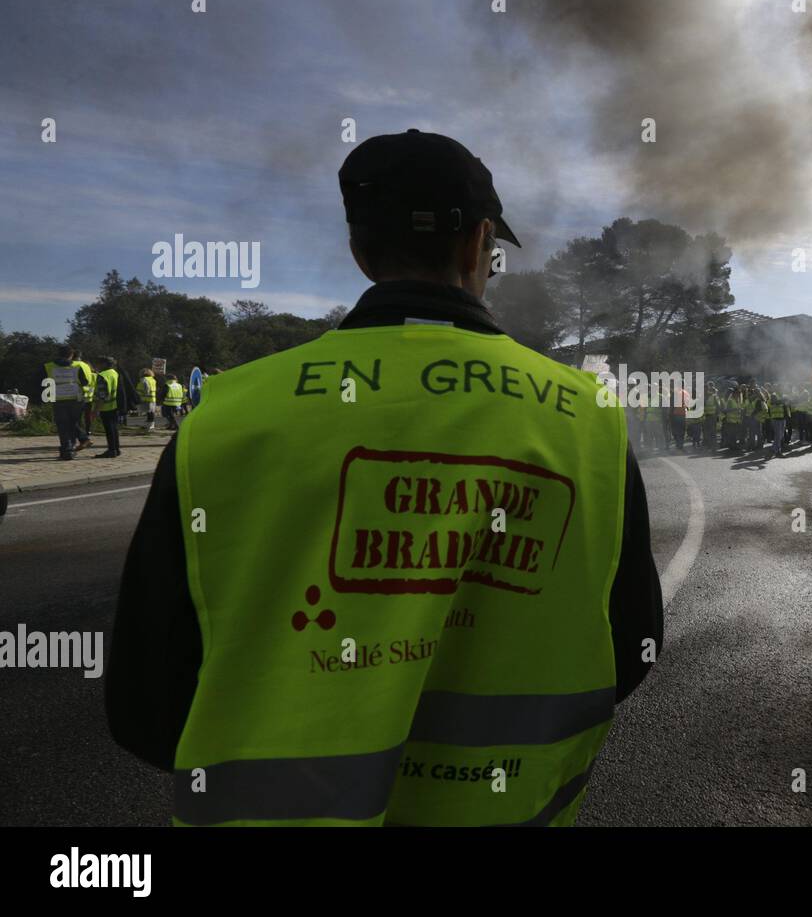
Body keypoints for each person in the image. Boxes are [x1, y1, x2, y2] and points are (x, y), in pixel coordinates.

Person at [107, 129, 662, 828]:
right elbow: (632, 646)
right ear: (478, 243)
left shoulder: (226, 415)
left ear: (359, 251)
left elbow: (145, 707)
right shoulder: (589, 421)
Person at [44, 344, 89, 460]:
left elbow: (42, 382)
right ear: (71, 355)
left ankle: (67, 449)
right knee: (74, 422)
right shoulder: (78, 366)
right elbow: (85, 382)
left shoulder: (48, 366)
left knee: (63, 426)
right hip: (75, 399)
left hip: (58, 399)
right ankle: (79, 441)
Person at [92, 356, 123, 458]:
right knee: (114, 428)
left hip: (105, 406)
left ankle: (111, 450)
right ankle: (116, 449)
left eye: (99, 363)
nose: (97, 366)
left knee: (109, 429)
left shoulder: (102, 375)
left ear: (104, 364)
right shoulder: (114, 373)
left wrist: (97, 409)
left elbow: (102, 395)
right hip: (114, 404)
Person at [71, 349, 97, 451]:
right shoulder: (92, 372)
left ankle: (81, 438)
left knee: (76, 419)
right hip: (89, 397)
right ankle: (87, 432)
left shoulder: (74, 365)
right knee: (87, 418)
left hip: (78, 397)